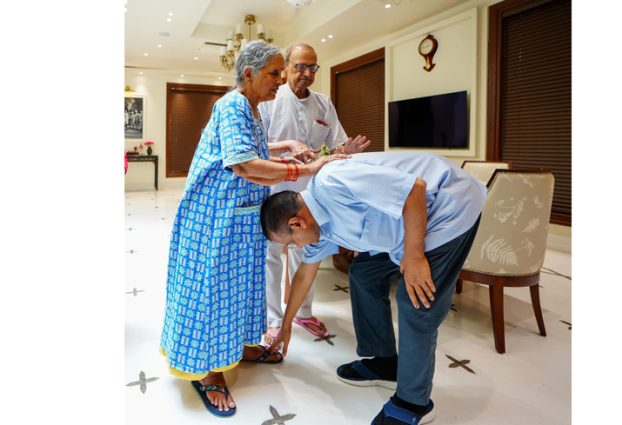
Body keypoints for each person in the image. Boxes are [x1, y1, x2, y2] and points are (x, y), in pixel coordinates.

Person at [159, 40, 347, 418]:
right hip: (213, 219)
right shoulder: (231, 105)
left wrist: (286, 147)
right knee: (215, 291)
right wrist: (305, 169)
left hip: (239, 216)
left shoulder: (253, 109)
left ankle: (238, 348)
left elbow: (253, 148)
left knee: (241, 287)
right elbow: (244, 163)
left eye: (281, 72)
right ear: (248, 74)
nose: (280, 80)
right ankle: (209, 371)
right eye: (274, 73)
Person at [261, 152, 486, 425]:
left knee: (413, 300)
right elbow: (303, 275)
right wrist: (285, 325)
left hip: (449, 206)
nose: (292, 248)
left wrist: (414, 257)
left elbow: (415, 190)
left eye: (290, 242)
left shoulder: (332, 182)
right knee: (364, 272)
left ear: (297, 223)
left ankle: (413, 402)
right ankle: (385, 362)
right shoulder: (319, 231)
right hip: (405, 226)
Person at [258, 42, 371, 343]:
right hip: (273, 188)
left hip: (310, 193)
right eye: (300, 66)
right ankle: (272, 319)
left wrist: (345, 150)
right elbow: (254, 147)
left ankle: (303, 313)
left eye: (312, 67)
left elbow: (333, 145)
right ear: (285, 68)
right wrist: (286, 149)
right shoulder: (270, 100)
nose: (306, 73)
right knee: (270, 255)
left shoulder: (323, 104)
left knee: (306, 253)